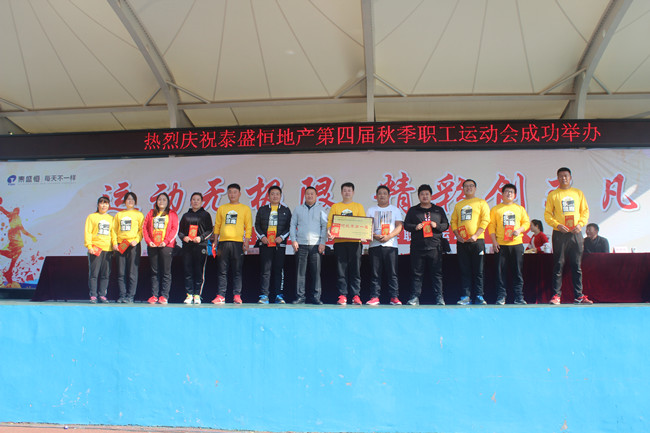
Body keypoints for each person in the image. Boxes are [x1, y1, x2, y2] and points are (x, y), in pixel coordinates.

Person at [544, 167, 593, 305]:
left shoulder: (578, 193)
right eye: (561, 176)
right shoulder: (553, 195)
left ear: (570, 177)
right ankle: (556, 295)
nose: (563, 178)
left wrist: (580, 224)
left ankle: (579, 296)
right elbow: (548, 214)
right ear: (557, 178)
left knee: (576, 265)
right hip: (560, 233)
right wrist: (557, 225)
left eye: (566, 176)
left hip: (575, 233)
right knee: (559, 264)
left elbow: (585, 211)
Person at [404, 184, 449, 306]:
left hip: (435, 247)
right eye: (422, 194)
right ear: (419, 196)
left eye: (427, 194)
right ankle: (414, 297)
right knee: (416, 274)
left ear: (431, 196)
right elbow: (406, 225)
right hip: (418, 247)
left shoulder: (438, 210)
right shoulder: (413, 210)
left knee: (437, 274)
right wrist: (415, 227)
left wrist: (436, 225)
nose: (425, 196)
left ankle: (439, 298)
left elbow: (446, 225)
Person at [488, 184, 530, 305]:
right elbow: (491, 226)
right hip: (501, 245)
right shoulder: (496, 209)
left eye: (511, 192)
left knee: (517, 272)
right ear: (502, 194)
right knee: (500, 272)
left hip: (516, 244)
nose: (509, 194)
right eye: (506, 191)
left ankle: (519, 297)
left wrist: (519, 230)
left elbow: (526, 223)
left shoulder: (520, 209)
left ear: (515, 195)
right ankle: (501, 297)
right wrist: (494, 241)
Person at [450, 179, 490, 305]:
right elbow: (453, 222)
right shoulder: (459, 205)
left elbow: (485, 220)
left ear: (475, 188)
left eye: (471, 186)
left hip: (477, 241)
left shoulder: (481, 202)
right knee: (464, 270)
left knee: (479, 270)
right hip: (462, 242)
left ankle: (479, 296)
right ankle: (465, 296)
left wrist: (476, 235)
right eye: (466, 186)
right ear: (462, 189)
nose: (468, 188)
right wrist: (457, 236)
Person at [212, 183, 252, 305]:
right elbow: (217, 225)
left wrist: (246, 242)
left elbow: (248, 226)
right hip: (223, 243)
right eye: (230, 192)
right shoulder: (222, 208)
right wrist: (215, 241)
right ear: (227, 194)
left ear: (239, 194)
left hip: (238, 243)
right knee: (222, 270)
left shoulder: (245, 209)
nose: (232, 194)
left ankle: (237, 295)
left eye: (235, 192)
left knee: (237, 271)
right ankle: (221, 295)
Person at [327, 182, 366, 305]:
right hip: (340, 242)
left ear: (353, 192)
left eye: (349, 190)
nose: (347, 192)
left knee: (355, 270)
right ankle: (342, 295)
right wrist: (329, 232)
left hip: (355, 243)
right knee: (341, 270)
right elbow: (330, 223)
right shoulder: (335, 207)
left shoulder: (358, 207)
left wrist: (364, 234)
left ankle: (356, 296)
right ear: (341, 192)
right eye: (345, 190)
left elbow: (363, 223)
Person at [366, 185, 404, 305]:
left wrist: (389, 236)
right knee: (375, 273)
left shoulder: (395, 210)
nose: (382, 195)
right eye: (380, 193)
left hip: (391, 245)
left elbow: (399, 226)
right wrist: (374, 235)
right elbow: (366, 227)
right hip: (374, 245)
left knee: (392, 273)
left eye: (384, 193)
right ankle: (374, 297)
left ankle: (394, 297)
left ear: (389, 196)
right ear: (376, 196)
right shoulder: (371, 210)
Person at [289, 186, 327, 305]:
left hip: (316, 245)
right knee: (300, 273)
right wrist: (294, 240)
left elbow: (325, 227)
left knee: (316, 273)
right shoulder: (298, 209)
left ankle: (316, 297)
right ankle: (300, 297)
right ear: (304, 195)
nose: (310, 196)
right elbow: (292, 225)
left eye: (312, 194)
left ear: (316, 196)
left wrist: (322, 242)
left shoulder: (321, 209)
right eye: (307, 194)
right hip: (301, 244)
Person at [255, 185, 292, 304]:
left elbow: (289, 227)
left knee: (278, 270)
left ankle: (279, 295)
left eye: (277, 194)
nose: (275, 196)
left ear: (281, 196)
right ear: (268, 196)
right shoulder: (262, 210)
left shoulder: (286, 210)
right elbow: (257, 226)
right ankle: (264, 295)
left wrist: (282, 237)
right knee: (265, 271)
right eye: (272, 194)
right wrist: (262, 237)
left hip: (279, 245)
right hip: (265, 244)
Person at [143, 192, 179, 305]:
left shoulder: (172, 214)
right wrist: (149, 241)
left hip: (166, 246)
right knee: (155, 271)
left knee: (166, 272)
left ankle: (164, 296)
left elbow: (174, 229)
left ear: (168, 202)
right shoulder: (151, 213)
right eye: (159, 199)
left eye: (164, 200)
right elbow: (144, 228)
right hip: (153, 246)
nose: (161, 202)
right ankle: (154, 295)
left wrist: (165, 241)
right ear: (156, 202)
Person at [178, 192, 213, 305]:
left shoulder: (206, 215)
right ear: (190, 202)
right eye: (193, 199)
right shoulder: (185, 216)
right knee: (188, 271)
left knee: (199, 271)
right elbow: (180, 232)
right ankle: (189, 295)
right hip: (187, 247)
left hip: (200, 246)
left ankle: (197, 295)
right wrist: (184, 237)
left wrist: (201, 238)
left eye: (198, 200)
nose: (195, 202)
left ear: (202, 202)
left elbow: (210, 230)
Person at [111, 192, 144, 303]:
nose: (130, 201)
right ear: (124, 201)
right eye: (128, 199)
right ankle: (122, 295)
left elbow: (141, 230)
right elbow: (114, 230)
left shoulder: (139, 214)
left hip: (133, 245)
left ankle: (130, 296)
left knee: (132, 272)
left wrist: (137, 240)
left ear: (135, 202)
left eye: (132, 199)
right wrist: (115, 243)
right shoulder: (119, 215)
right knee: (121, 272)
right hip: (122, 244)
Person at [0, 200, 37, 286]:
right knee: (15, 252)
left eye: (17, 211)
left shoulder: (17, 219)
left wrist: (32, 236)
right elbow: (4, 210)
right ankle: (9, 272)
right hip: (14, 236)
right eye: (15, 210)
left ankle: (9, 271)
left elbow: (23, 231)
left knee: (16, 253)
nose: (16, 211)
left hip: (16, 236)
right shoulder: (12, 215)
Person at [84, 196, 113, 303]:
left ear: (109, 205)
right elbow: (88, 232)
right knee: (94, 273)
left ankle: (102, 295)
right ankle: (93, 295)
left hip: (108, 249)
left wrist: (114, 245)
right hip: (96, 248)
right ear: (98, 205)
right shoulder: (92, 217)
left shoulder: (111, 219)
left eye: (106, 203)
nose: (104, 205)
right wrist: (89, 246)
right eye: (102, 203)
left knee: (105, 274)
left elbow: (113, 233)